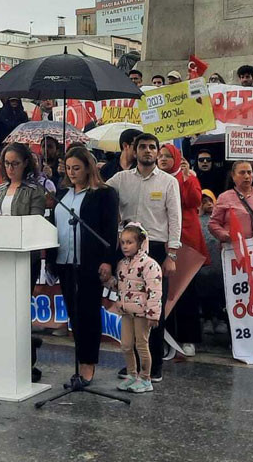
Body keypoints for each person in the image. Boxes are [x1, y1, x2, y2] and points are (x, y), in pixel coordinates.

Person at [106, 133, 181, 382]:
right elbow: (100, 190)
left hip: (156, 250)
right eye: (142, 147)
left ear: (157, 152)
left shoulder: (169, 182)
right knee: (130, 308)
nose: (147, 151)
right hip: (127, 249)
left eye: (152, 147)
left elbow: (175, 219)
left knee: (152, 310)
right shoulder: (121, 179)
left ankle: (154, 365)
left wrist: (171, 254)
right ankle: (133, 366)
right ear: (134, 151)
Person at [50, 147, 120, 386]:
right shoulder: (63, 193)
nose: (71, 173)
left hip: (90, 262)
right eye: (68, 168)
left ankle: (88, 364)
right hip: (64, 261)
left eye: (77, 168)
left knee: (88, 313)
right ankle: (80, 360)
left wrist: (108, 260)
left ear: (89, 168)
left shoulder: (104, 193)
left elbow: (110, 229)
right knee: (74, 314)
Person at [0, 142, 49, 380]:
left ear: (26, 163)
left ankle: (27, 361)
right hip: (1, 256)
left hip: (25, 257)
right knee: (2, 309)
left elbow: (35, 222)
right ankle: (3, 357)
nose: (10, 168)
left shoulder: (34, 190)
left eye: (15, 163)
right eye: (6, 163)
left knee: (20, 308)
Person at [158, 144, 205, 358]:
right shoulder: (155, 178)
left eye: (168, 156)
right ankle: (165, 338)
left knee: (186, 293)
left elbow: (193, 201)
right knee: (164, 292)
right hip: (163, 240)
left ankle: (188, 338)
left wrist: (186, 179)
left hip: (186, 242)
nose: (163, 159)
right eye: (160, 156)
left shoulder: (189, 177)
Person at [105, 223, 162, 394]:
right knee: (126, 345)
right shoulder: (122, 264)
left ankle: (145, 378)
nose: (125, 246)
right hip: (126, 312)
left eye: (129, 242)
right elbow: (121, 286)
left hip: (142, 313)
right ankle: (131, 375)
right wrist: (109, 282)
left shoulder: (150, 265)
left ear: (140, 243)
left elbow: (155, 291)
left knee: (142, 345)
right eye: (123, 242)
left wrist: (153, 314)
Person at [209, 159, 253, 242]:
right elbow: (213, 223)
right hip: (233, 246)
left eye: (249, 172)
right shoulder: (224, 197)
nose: (246, 176)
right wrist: (225, 235)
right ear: (233, 176)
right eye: (242, 173)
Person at [194, 190, 227, 336]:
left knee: (220, 293)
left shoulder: (222, 220)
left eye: (210, 201)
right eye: (204, 202)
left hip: (220, 265)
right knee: (204, 292)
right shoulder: (195, 220)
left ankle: (220, 319)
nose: (208, 204)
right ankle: (207, 319)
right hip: (203, 266)